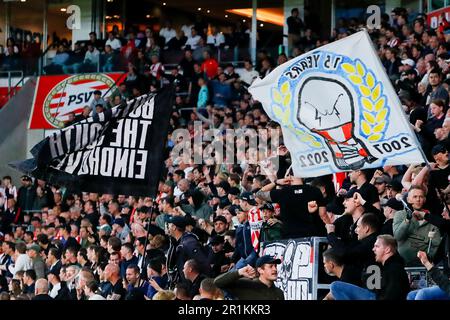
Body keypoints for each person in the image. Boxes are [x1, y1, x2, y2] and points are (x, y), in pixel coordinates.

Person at [329, 235, 410, 300]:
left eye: (377, 246)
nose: (373, 249)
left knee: (336, 286)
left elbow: (391, 295)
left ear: (387, 250)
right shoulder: (390, 266)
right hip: (376, 296)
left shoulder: (394, 269)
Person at [256, 175, 326, 238]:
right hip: (312, 234)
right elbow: (322, 214)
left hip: (290, 237)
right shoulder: (315, 190)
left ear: (289, 176)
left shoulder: (282, 192)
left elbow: (259, 194)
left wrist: (276, 182)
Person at [393, 185, 442, 266]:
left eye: (421, 197)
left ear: (424, 200)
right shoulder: (400, 215)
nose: (418, 199)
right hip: (403, 264)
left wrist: (428, 260)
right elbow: (397, 236)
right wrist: (407, 220)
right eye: (415, 197)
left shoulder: (432, 219)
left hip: (424, 264)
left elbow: (436, 245)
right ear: (408, 199)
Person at [214, 255, 284, 300]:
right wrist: (239, 272)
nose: (275, 269)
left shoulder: (279, 293)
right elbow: (217, 282)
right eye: (271, 266)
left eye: (275, 266)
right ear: (260, 270)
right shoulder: (246, 285)